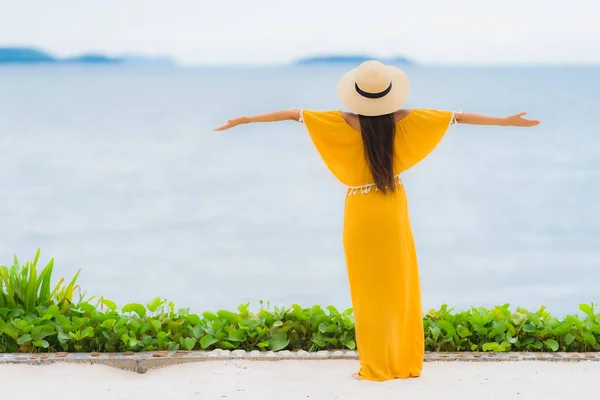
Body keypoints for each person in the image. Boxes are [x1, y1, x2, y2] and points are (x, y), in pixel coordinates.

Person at [214, 60, 540, 382]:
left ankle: (374, 367)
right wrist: (505, 122)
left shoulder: (340, 121)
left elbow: (292, 112)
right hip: (393, 207)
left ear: (356, 93)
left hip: (360, 210)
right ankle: (405, 364)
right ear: (389, 93)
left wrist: (246, 119)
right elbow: (458, 116)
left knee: (368, 292)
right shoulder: (406, 119)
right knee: (401, 285)